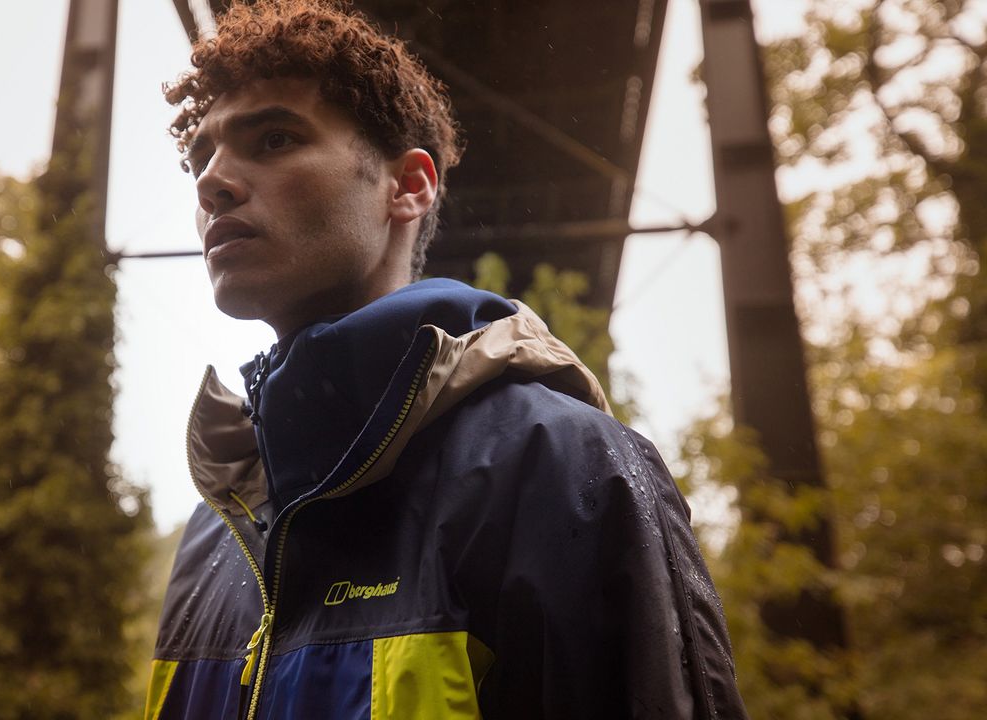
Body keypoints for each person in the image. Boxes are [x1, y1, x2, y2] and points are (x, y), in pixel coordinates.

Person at [146, 1, 748, 718]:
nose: (212, 181)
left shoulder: (562, 464)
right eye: (199, 157)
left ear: (409, 187)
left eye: (274, 139)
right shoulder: (217, 525)